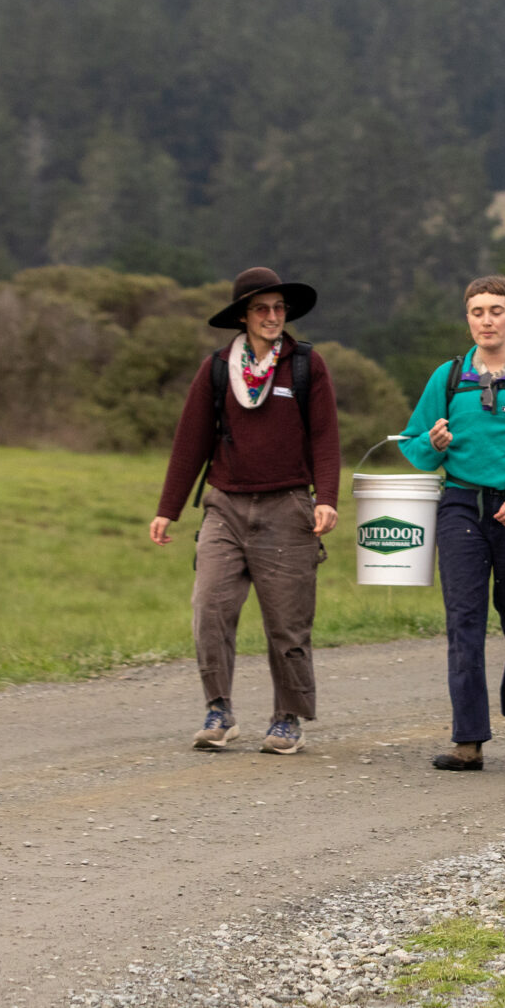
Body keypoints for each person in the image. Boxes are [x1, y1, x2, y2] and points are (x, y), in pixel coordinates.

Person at [151, 267, 341, 756]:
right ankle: (219, 710)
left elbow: (325, 437)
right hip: (224, 506)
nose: (274, 317)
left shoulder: (306, 366)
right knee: (209, 608)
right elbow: (190, 441)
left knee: (288, 622)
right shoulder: (217, 368)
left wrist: (328, 500)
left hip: (289, 506)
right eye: (263, 309)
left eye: (280, 309)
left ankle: (288, 718)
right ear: (243, 316)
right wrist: (167, 509)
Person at [398, 276, 505, 772]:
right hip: (461, 506)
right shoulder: (448, 377)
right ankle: (468, 739)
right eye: (477, 312)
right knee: (465, 621)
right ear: (468, 319)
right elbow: (412, 444)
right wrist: (432, 443)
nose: (487, 320)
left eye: (496, 310)